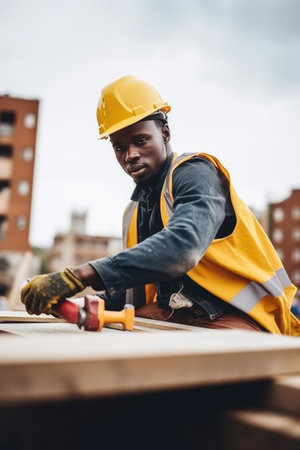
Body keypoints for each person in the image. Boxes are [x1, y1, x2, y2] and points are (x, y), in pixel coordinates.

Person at [21, 75, 300, 335]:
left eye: (140, 140)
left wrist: (78, 275)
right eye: (119, 147)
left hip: (247, 320)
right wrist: (70, 299)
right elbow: (129, 297)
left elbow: (183, 248)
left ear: (164, 133)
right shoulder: (135, 212)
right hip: (181, 315)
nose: (130, 155)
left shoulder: (195, 173)